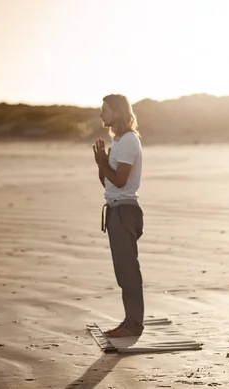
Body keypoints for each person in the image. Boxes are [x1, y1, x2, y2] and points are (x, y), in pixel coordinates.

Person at [92, 94, 145, 338]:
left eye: (105, 109)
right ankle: (130, 320)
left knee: (128, 271)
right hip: (116, 209)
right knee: (122, 271)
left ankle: (134, 324)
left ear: (118, 112)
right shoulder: (119, 141)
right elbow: (107, 182)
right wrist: (100, 163)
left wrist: (103, 162)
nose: (101, 114)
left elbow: (121, 181)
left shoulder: (129, 142)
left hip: (125, 210)